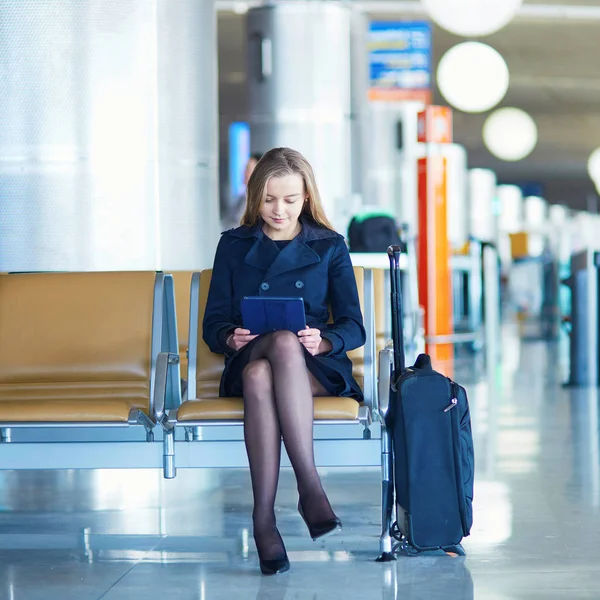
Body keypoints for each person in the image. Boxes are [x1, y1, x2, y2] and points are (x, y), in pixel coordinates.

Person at [203, 147, 366, 575]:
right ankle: (310, 486)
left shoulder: (329, 246)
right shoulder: (233, 246)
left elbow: (353, 325)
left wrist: (325, 340)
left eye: (290, 200)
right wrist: (228, 336)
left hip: (314, 365)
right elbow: (213, 323)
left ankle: (263, 522)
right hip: (248, 352)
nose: (279, 210)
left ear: (307, 198)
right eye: (270, 199)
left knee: (265, 372)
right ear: (256, 196)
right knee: (269, 350)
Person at [223, 152, 263, 230]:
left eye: (248, 169)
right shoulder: (242, 198)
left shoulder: (262, 203)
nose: (244, 173)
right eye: (245, 169)